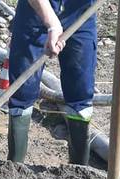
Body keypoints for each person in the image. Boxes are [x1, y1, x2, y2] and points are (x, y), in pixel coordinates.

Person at [7, 0, 97, 165]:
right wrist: (52, 24)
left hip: (80, 12)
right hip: (35, 13)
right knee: (22, 90)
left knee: (81, 90)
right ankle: (13, 170)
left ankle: (79, 172)